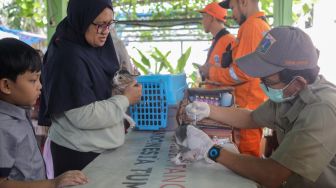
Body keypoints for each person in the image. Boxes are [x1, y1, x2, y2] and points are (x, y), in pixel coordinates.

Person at [186, 26, 336, 187]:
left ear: (298, 82)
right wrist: (208, 109)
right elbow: (251, 118)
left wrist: (211, 151)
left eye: (268, 81)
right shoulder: (290, 93)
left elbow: (272, 175)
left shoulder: (322, 109)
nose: (262, 85)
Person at [38, 0, 142, 176]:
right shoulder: (67, 57)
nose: (105, 32)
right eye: (100, 25)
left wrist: (119, 87)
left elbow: (96, 89)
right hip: (78, 154)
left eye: (110, 24)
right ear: (82, 19)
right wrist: (125, 99)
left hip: (98, 148)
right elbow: (82, 115)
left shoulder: (95, 44)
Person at [0, 38, 88, 188]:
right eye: (33, 80)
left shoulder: (19, 112)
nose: (40, 86)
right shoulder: (3, 126)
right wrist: (52, 183)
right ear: (6, 85)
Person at [204, 0, 270, 157]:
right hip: (253, 105)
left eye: (233, 8)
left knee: (245, 158)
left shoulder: (251, 26)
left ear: (243, 2)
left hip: (246, 108)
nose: (231, 14)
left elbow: (242, 72)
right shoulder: (262, 25)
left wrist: (212, 73)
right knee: (248, 155)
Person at [197, 2, 235, 83]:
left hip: (224, 94)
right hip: (214, 93)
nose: (202, 21)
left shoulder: (230, 41)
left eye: (204, 17)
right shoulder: (216, 40)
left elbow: (233, 75)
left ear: (211, 18)